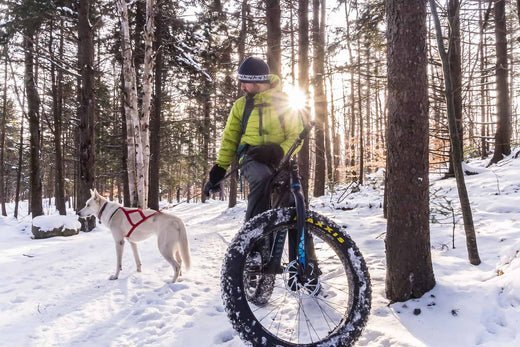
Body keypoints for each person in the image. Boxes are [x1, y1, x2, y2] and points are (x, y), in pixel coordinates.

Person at [203, 56, 303, 221]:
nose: (242, 87)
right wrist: (220, 168)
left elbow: (296, 135)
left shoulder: (285, 102)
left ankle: (299, 243)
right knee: (263, 179)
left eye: (245, 82)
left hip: (281, 158)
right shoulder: (241, 106)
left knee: (294, 196)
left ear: (257, 82)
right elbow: (230, 138)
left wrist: (279, 151)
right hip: (251, 156)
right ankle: (253, 240)